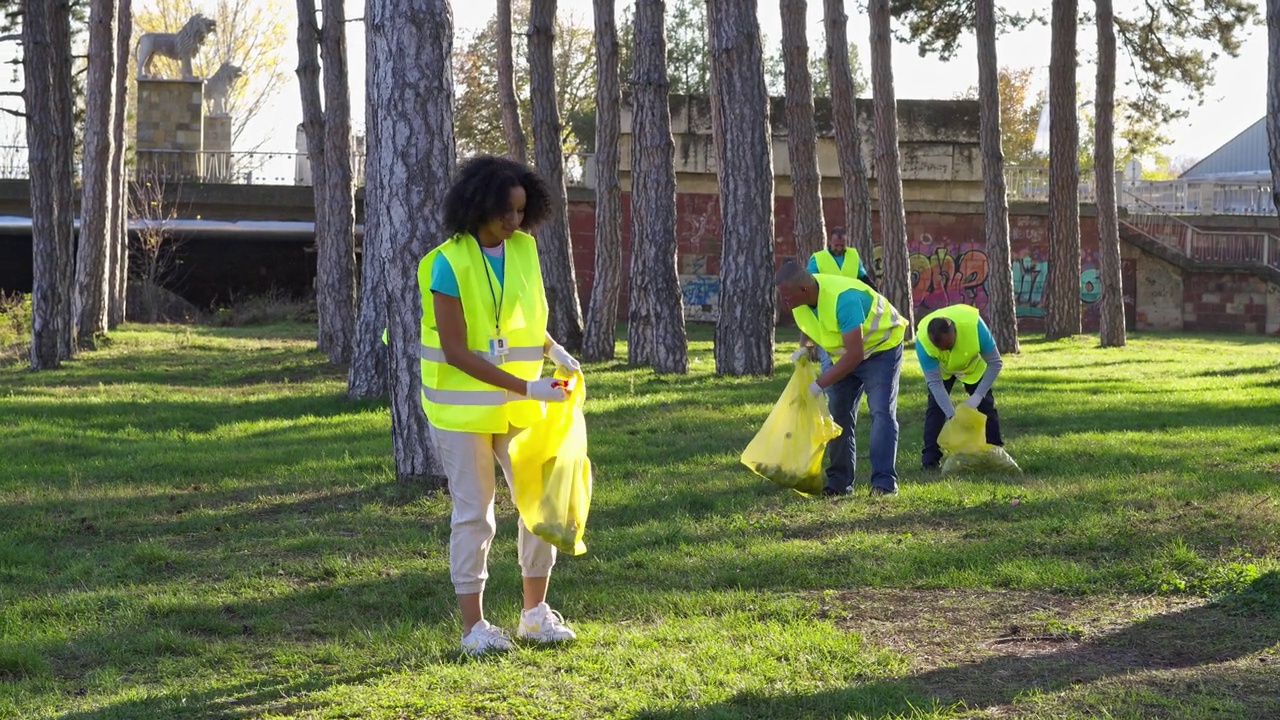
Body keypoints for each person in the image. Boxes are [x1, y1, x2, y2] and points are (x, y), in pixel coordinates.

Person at [420, 155, 580, 656]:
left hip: (517, 406)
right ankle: (475, 629)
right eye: (506, 211)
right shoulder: (445, 263)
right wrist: (527, 387)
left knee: (540, 501)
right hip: (463, 411)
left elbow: (524, 320)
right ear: (479, 206)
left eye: (521, 211)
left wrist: (553, 350)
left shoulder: (525, 252)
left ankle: (535, 615)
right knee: (475, 515)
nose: (514, 221)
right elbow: (457, 350)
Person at [777, 261, 908, 497]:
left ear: (803, 290)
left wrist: (819, 384)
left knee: (882, 412)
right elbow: (809, 322)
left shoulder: (843, 299)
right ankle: (839, 484)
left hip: (881, 349)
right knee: (837, 418)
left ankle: (884, 484)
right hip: (843, 354)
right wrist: (805, 348)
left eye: (787, 296)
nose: (784, 302)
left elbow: (855, 355)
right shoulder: (800, 298)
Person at [915, 304, 1005, 470]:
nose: (946, 350)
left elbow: (995, 363)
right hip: (943, 370)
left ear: (955, 332)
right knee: (935, 409)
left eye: (949, 346)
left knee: (986, 406)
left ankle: (995, 451)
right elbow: (934, 383)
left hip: (972, 366)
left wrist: (977, 396)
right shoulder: (923, 343)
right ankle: (930, 461)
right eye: (941, 348)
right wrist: (952, 415)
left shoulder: (974, 326)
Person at [806, 227, 875, 289]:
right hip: (828, 300)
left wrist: (876, 291)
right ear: (829, 242)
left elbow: (864, 278)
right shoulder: (817, 258)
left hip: (850, 299)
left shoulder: (853, 255)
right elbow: (810, 282)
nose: (839, 248)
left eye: (842, 245)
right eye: (836, 245)